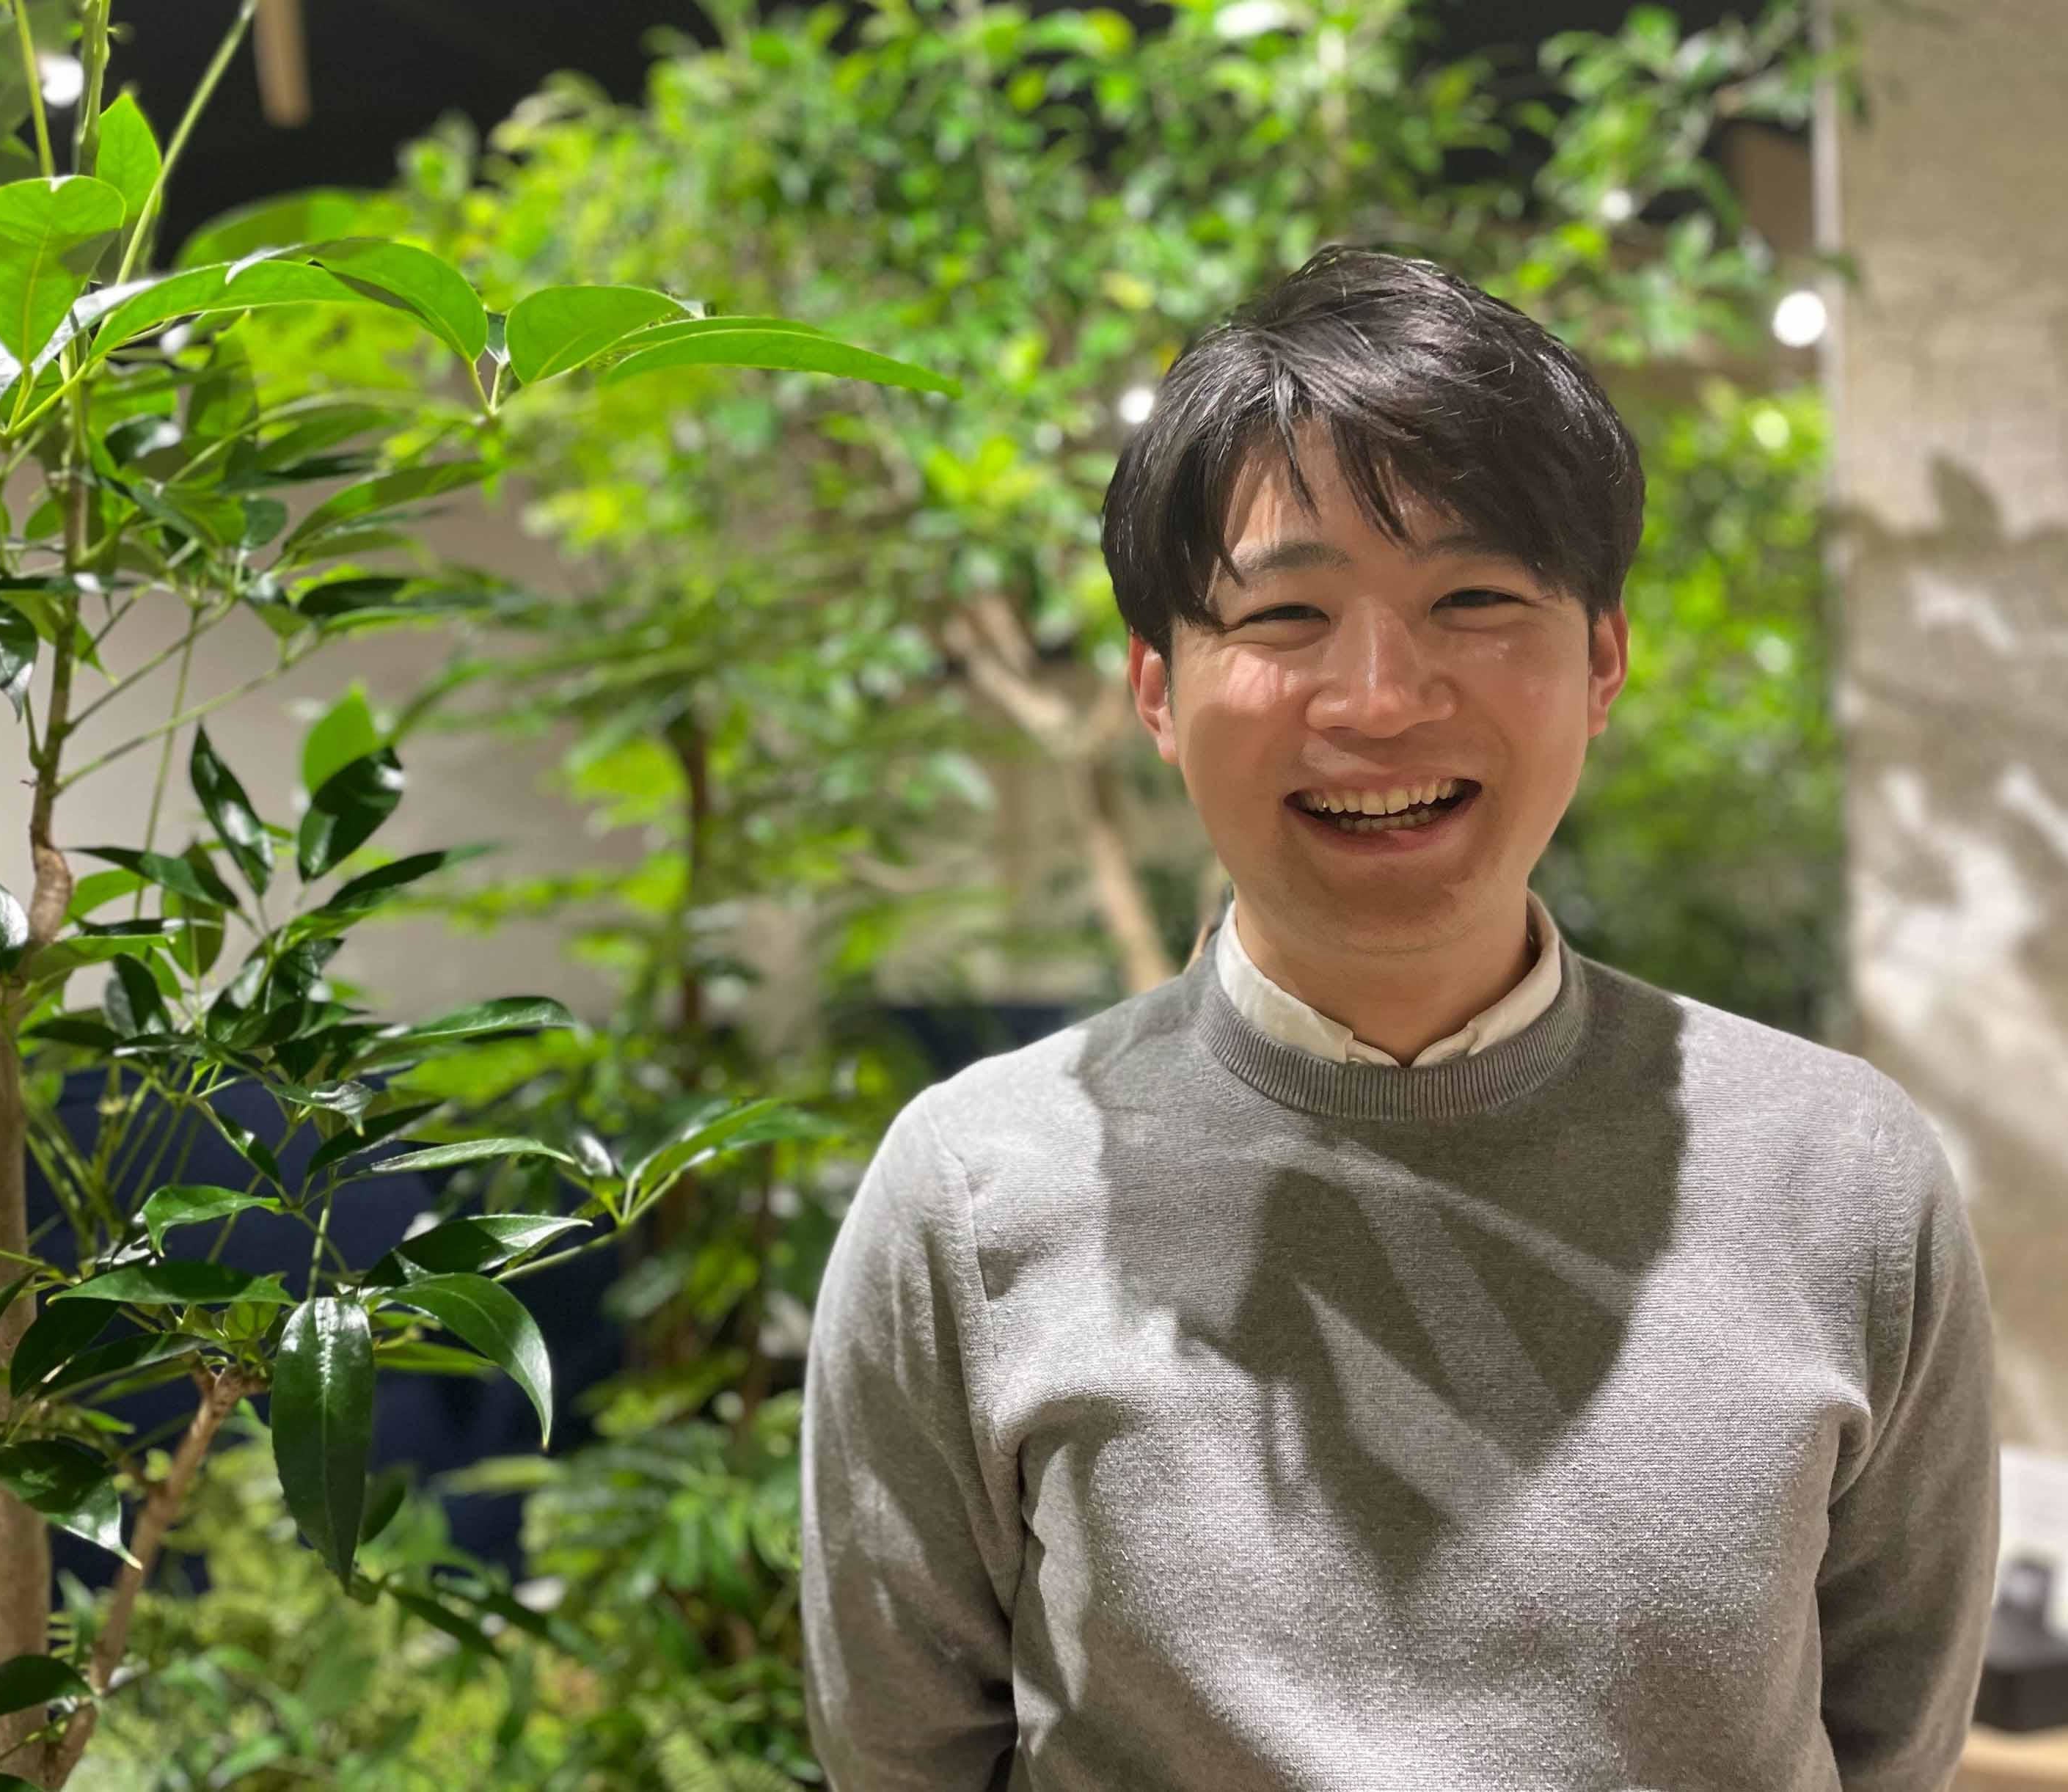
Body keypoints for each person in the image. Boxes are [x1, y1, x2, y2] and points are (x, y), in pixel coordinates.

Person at [799, 245, 1998, 1791]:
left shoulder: (1842, 1176)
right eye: (1285, 614)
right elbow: (903, 1757)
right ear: (1156, 690)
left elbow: (1890, 1744)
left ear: (1601, 661)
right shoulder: (972, 1198)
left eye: (1473, 597)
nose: (1376, 698)